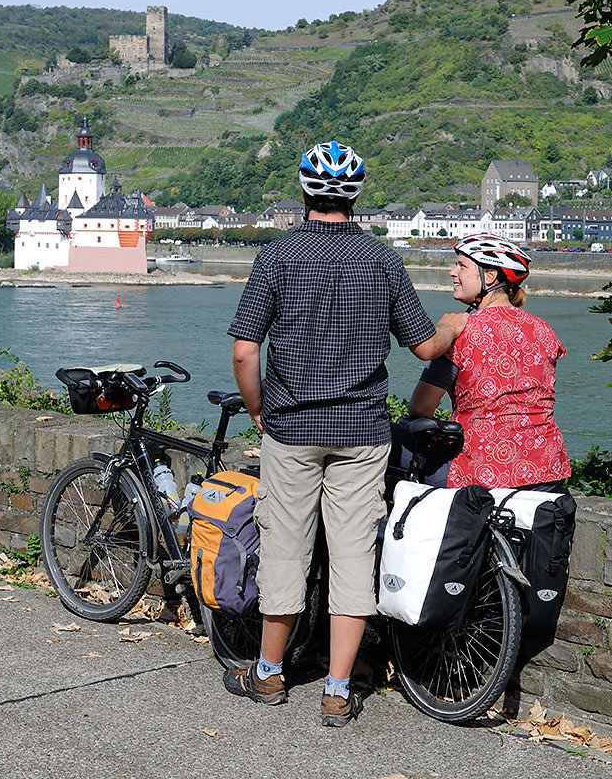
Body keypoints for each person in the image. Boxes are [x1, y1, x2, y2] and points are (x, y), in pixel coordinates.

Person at [224, 141, 467, 726]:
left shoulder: (277, 256)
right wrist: (456, 323)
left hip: (292, 426)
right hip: (361, 428)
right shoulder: (381, 260)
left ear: (306, 191)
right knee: (354, 555)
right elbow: (425, 347)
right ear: (355, 196)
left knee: (284, 547)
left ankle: (268, 674)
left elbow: (243, 351)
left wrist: (260, 411)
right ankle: (337, 689)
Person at [408, 233, 570, 491]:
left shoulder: (460, 332)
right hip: (547, 469)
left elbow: (420, 409)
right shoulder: (544, 331)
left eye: (462, 265)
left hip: (484, 471)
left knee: (389, 445)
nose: (452, 272)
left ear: (490, 276)